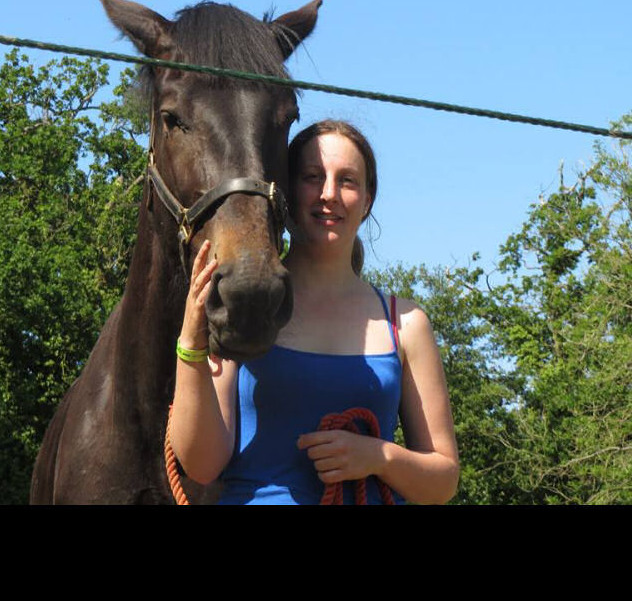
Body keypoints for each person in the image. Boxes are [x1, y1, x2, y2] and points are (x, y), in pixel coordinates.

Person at [168, 120, 459, 504]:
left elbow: (442, 483)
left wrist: (379, 457)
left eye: (347, 181)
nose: (329, 194)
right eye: (312, 177)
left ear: (367, 200)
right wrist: (191, 345)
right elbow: (202, 465)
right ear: (287, 192)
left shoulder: (405, 323)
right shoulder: (248, 303)